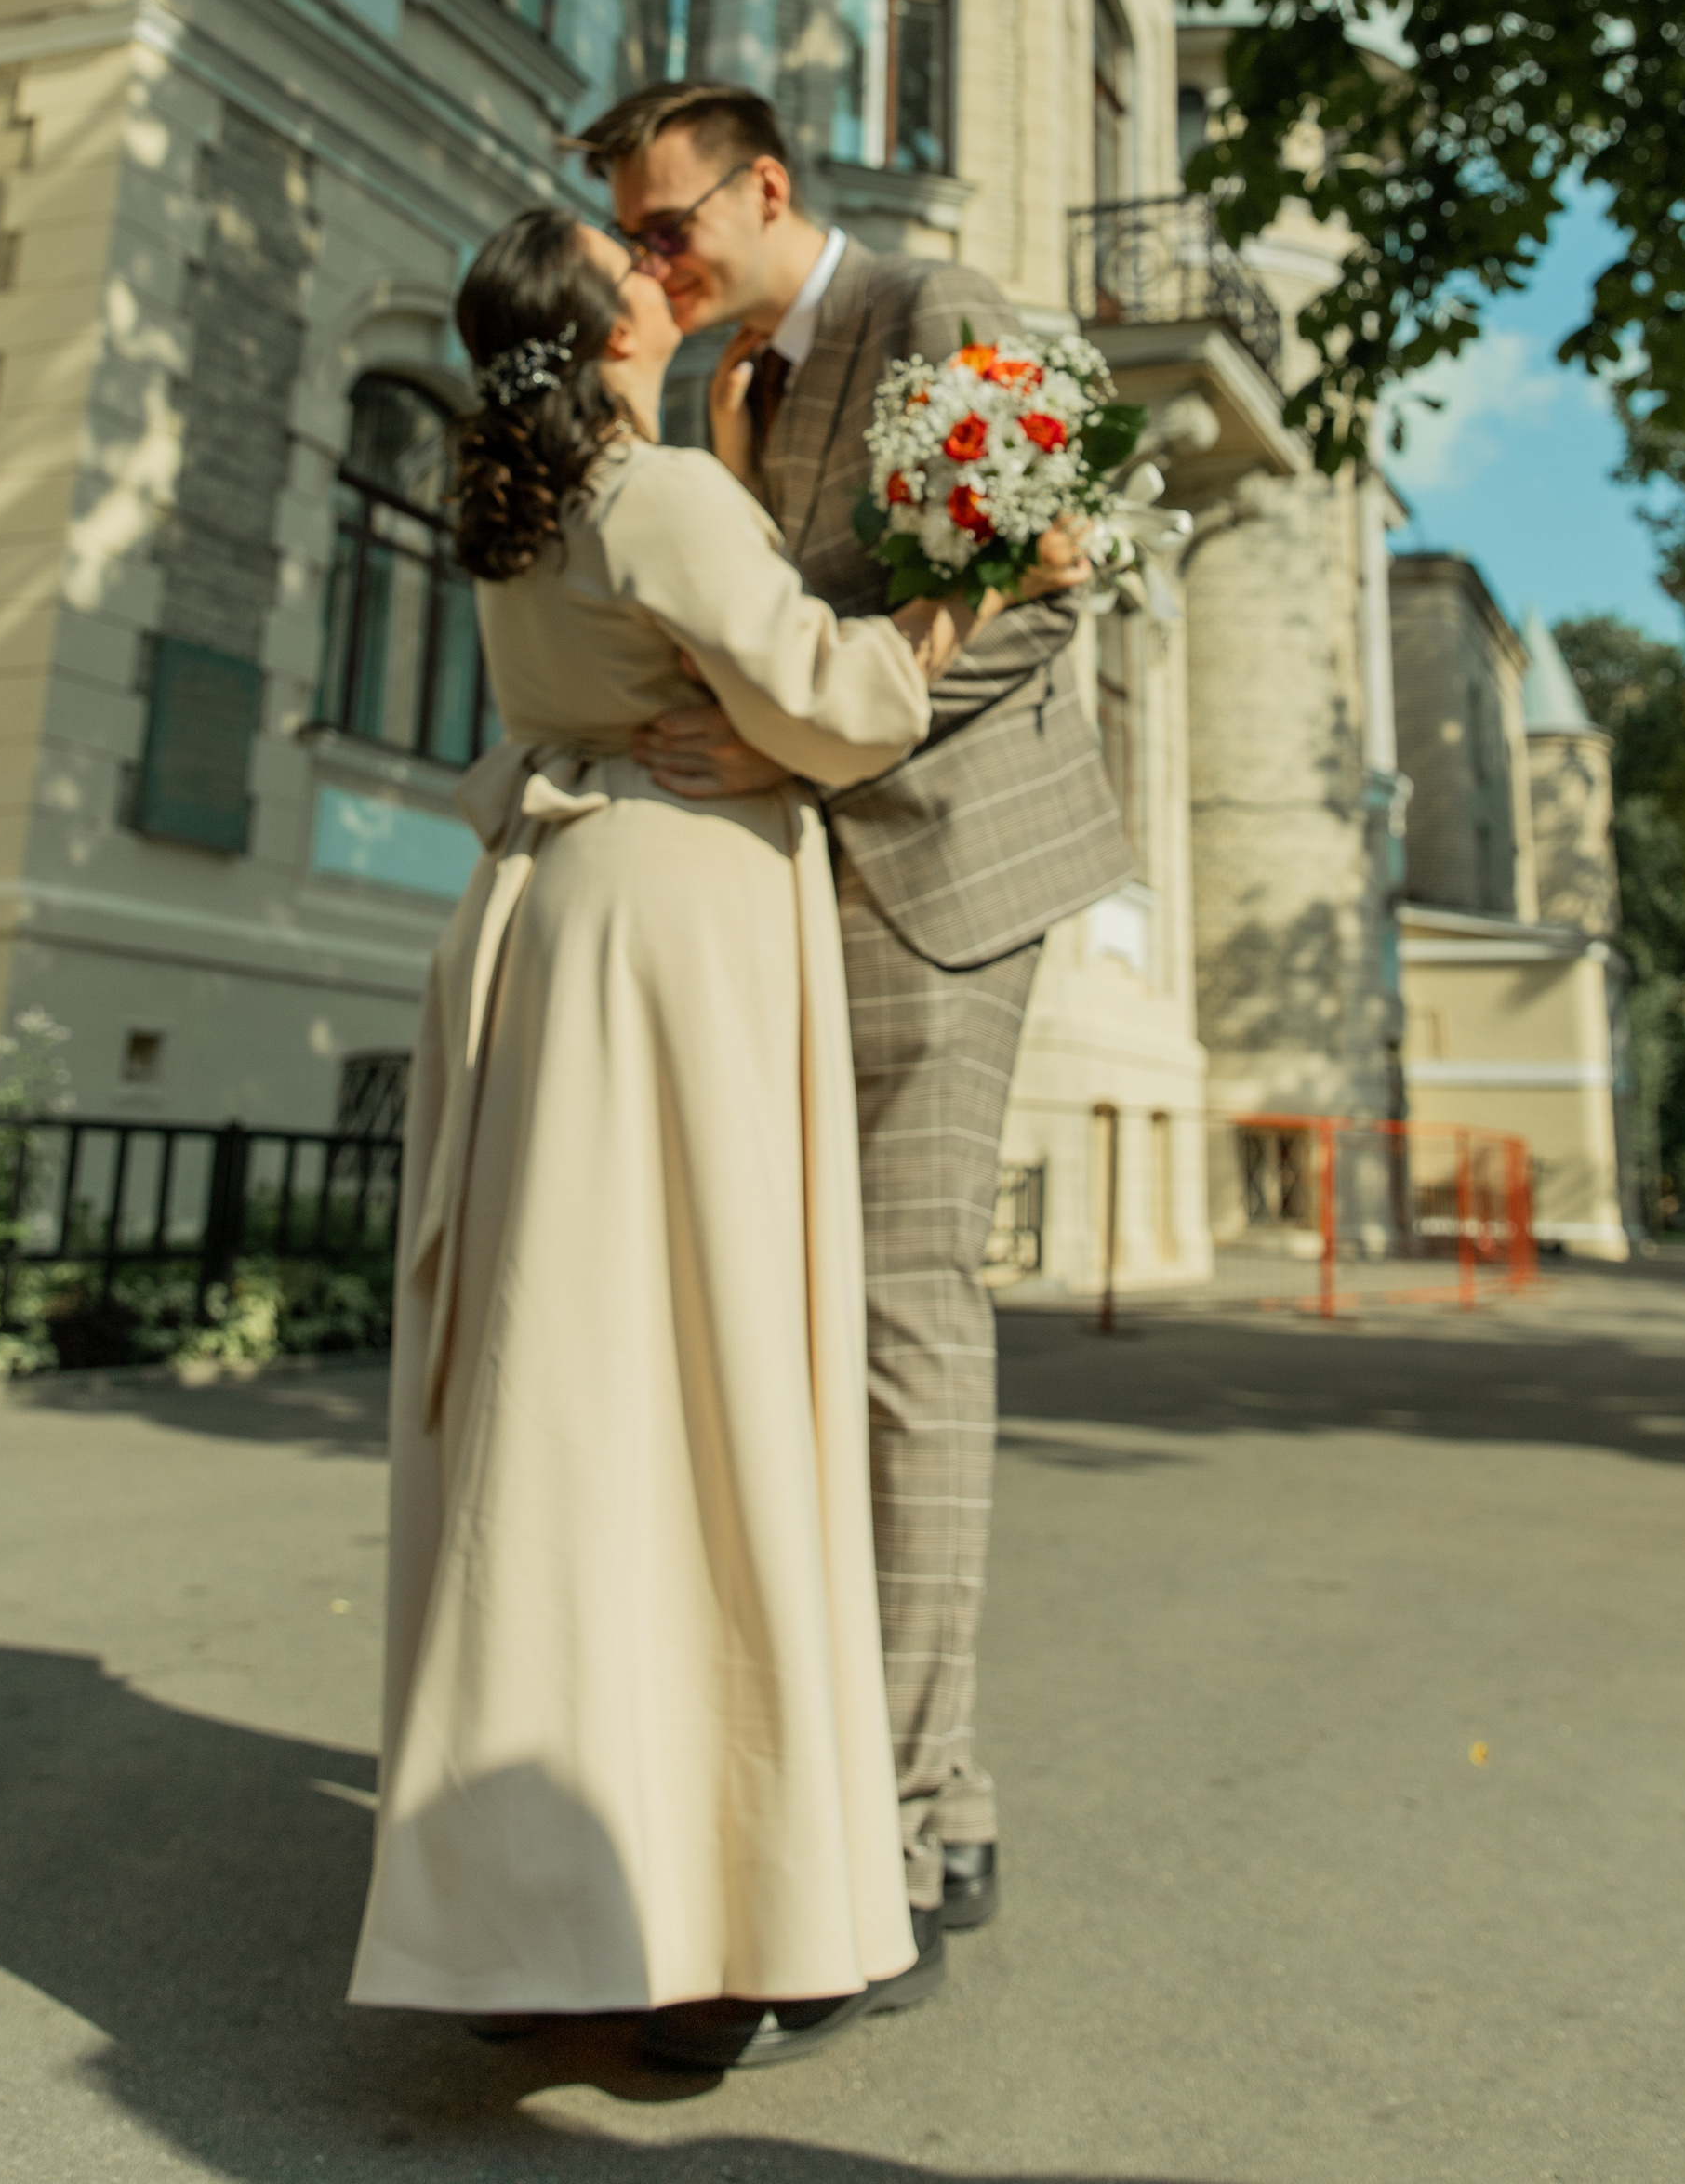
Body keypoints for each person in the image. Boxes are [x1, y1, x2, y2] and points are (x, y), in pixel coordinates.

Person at [350, 205, 1037, 2070]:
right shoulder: (648, 495)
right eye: (631, 264)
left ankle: (547, 1910)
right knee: (699, 1394)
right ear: (601, 326)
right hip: (672, 949)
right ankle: (703, 1912)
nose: (668, 272)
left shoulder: (521, 508)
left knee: (559, 1403)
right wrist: (986, 566)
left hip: (547, 932)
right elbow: (833, 706)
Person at [573, 80, 1131, 1966]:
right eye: (634, 240)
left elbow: (1046, 608)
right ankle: (894, 1786)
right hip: (782, 894)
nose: (650, 265)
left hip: (946, 877)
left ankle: (906, 1823)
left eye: (667, 230)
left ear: (764, 188)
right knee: (796, 1321)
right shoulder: (726, 382)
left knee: (897, 1310)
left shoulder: (948, 313)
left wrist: (781, 740)